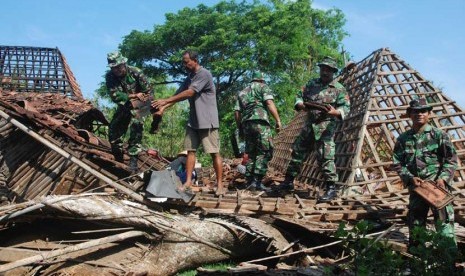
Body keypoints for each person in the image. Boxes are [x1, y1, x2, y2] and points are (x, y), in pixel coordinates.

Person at [151, 50, 224, 195]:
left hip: (207, 121)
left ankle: (220, 185)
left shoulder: (204, 74)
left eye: (186, 62)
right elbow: (177, 95)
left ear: (195, 60)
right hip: (193, 121)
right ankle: (188, 182)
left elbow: (190, 93)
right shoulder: (189, 77)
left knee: (214, 153)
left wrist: (164, 101)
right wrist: (163, 108)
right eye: (183, 62)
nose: (184, 65)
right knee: (190, 151)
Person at [392, 98, 457, 252]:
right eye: (416, 111)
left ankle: (448, 259)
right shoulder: (403, 139)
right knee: (416, 224)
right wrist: (409, 178)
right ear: (410, 114)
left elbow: (451, 160)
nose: (419, 114)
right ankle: (417, 259)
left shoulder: (439, 135)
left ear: (429, 114)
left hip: (438, 188)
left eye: (423, 111)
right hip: (417, 188)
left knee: (444, 223)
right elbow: (397, 162)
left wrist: (443, 178)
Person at [283, 56, 350, 201]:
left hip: (325, 126)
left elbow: (345, 107)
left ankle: (331, 189)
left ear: (333, 72)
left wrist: (335, 112)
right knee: (297, 153)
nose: (325, 72)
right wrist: (300, 104)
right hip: (309, 125)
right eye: (323, 69)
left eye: (328, 70)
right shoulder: (311, 83)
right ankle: (287, 183)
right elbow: (299, 96)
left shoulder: (339, 89)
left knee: (326, 157)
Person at [105, 51, 153, 172]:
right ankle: (118, 159)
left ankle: (133, 160)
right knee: (113, 130)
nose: (116, 70)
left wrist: (139, 100)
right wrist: (134, 95)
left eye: (118, 67)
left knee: (136, 125)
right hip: (125, 105)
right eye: (113, 68)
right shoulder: (110, 76)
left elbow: (149, 93)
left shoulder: (136, 72)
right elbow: (115, 96)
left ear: (124, 63)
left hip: (141, 105)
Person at [234, 71, 281, 191]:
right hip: (260, 122)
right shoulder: (263, 87)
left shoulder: (242, 92)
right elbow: (269, 102)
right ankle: (257, 181)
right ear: (261, 80)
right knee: (265, 151)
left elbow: (237, 112)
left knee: (250, 152)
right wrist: (278, 121)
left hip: (246, 124)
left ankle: (249, 181)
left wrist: (240, 127)